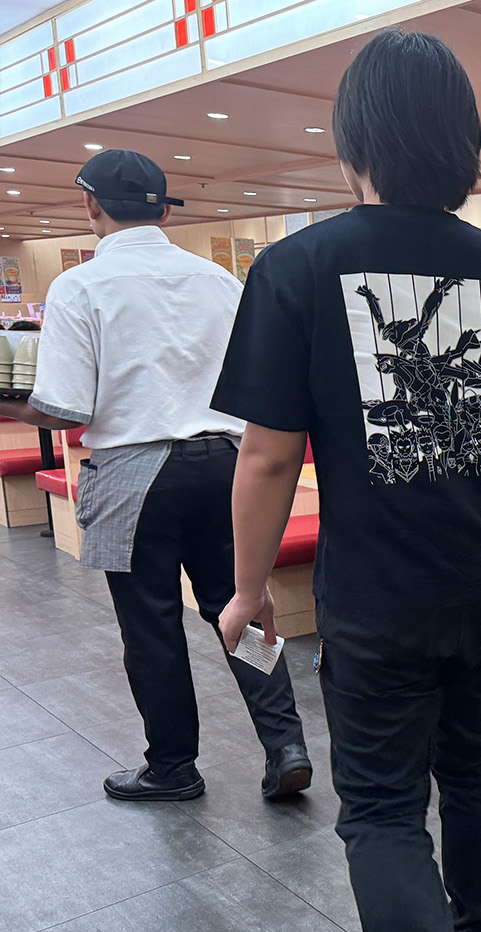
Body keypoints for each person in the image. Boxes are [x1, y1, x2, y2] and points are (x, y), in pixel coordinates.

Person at [213, 30, 481, 932]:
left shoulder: (295, 267)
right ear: (465, 146)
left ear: (352, 145)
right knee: (473, 761)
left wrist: (247, 589)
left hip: (377, 590)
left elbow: (268, 456)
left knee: (379, 806)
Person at [0, 150, 309, 803]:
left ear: (91, 205)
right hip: (227, 463)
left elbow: (64, 409)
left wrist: (14, 404)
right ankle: (286, 745)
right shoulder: (219, 280)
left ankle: (173, 768)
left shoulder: (80, 286)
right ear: (165, 211)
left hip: (135, 473)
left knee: (152, 628)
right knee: (244, 607)